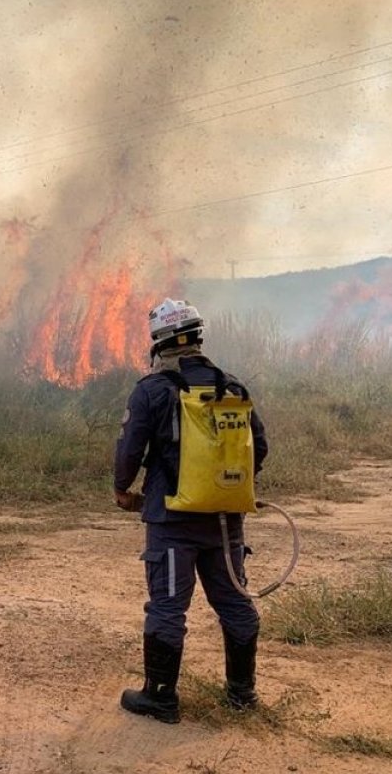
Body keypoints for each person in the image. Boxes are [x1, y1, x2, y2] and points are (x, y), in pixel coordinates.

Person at [113, 298, 268, 724]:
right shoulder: (233, 388)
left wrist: (122, 489)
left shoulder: (152, 390)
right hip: (225, 522)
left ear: (158, 343)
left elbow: (129, 449)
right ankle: (242, 694)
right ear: (198, 337)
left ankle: (160, 698)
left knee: (167, 607)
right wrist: (229, 490)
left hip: (172, 521)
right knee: (235, 602)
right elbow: (259, 447)